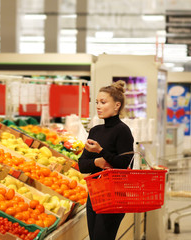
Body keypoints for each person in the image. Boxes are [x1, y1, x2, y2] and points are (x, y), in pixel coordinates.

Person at [78, 80, 134, 240]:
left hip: (114, 195)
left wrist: (101, 151)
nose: (98, 106)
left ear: (117, 106)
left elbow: (125, 164)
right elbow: (82, 165)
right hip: (94, 193)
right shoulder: (95, 131)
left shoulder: (123, 131)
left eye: (103, 102)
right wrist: (98, 162)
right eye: (97, 102)